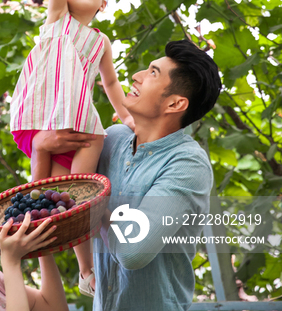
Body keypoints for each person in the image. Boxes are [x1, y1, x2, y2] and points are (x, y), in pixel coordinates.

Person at [32, 39, 222, 310]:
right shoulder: (110, 139)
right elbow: (51, 206)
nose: (136, 76)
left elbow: (133, 254)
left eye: (153, 73)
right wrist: (40, 150)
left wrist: (87, 203)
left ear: (175, 104)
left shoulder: (187, 164)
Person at [10, 0, 133, 295]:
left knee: (71, 196)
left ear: (102, 2)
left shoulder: (100, 41)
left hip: (77, 119)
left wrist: (128, 115)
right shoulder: (57, 20)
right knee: (47, 191)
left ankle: (84, 272)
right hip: (40, 115)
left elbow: (111, 83)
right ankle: (37, 237)